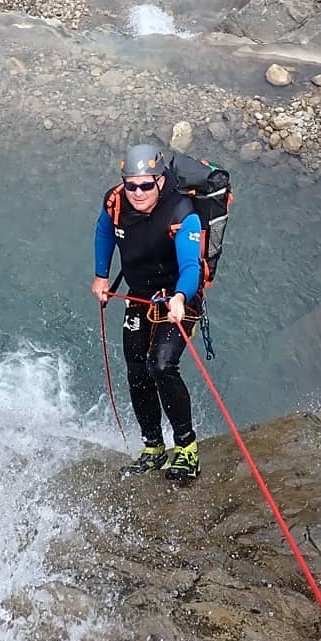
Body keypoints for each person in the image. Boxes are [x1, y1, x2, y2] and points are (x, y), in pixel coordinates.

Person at [91, 145, 202, 485]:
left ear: (160, 180)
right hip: (138, 296)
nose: (138, 193)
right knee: (137, 368)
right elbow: (104, 232)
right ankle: (153, 447)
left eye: (146, 185)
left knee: (162, 365)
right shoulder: (115, 201)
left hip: (178, 298)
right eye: (131, 185)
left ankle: (187, 449)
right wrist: (101, 275)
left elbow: (190, 264)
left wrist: (181, 297)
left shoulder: (183, 212)